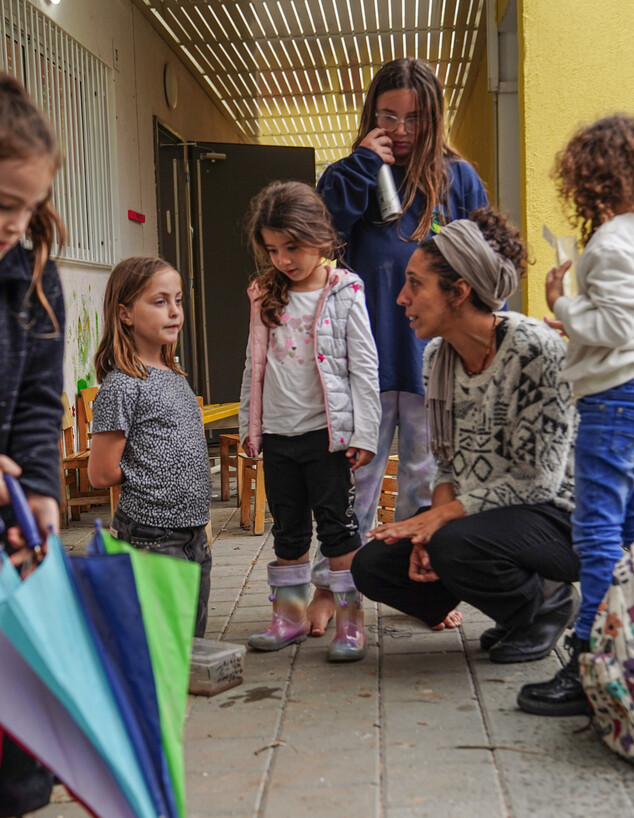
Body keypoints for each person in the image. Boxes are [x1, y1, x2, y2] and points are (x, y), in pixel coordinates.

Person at [351, 206, 581, 665]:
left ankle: (547, 603)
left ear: (458, 291)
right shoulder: (438, 357)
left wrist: (439, 524)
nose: (401, 298)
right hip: (485, 517)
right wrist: (424, 538)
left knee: (453, 541)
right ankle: (509, 607)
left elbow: (538, 482)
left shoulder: (536, 350)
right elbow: (448, 463)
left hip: (561, 518)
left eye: (415, 283)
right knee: (372, 564)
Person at [312, 57, 488, 635]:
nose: (403, 128)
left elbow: (486, 269)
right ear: (371, 114)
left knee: (422, 481)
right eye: (389, 115)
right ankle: (337, 591)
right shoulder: (351, 173)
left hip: (433, 365)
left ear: (434, 117)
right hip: (361, 363)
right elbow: (317, 237)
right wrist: (365, 164)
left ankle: (420, 592)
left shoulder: (458, 180)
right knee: (352, 484)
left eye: (415, 117)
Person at [518, 114, 634, 716]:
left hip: (614, 403)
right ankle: (620, 655)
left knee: (596, 534)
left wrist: (561, 299)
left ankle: (588, 666)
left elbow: (616, 327)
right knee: (627, 533)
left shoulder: (614, 239)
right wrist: (578, 321)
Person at [239, 180, 381, 662]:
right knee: (289, 531)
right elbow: (252, 366)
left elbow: (364, 366)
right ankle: (290, 617)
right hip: (279, 435)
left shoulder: (345, 290)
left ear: (321, 236)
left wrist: (363, 433)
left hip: (327, 437)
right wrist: (248, 427)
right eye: (273, 249)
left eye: (293, 247)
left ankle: (349, 622)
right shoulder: (264, 294)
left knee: (339, 530)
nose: (283, 259)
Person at [0, 72, 66, 817]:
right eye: (1, 205)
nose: (14, 224)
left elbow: (41, 399)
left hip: (8, 524)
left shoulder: (33, 274)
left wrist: (43, 487)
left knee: (21, 766)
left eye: (29, 207)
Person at [88, 256, 212, 639]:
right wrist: (152, 468)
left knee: (190, 646)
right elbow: (101, 473)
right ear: (125, 314)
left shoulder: (174, 375)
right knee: (161, 649)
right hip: (151, 536)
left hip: (191, 533)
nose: (174, 312)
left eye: (177, 300)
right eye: (159, 302)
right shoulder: (123, 385)